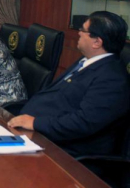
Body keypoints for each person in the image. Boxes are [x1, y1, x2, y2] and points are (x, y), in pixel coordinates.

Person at [8, 11, 129, 158]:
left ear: (97, 42)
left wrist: (35, 123)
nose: (78, 33)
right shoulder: (86, 61)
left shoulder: (112, 78)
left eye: (83, 30)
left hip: (65, 152)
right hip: (38, 133)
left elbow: (82, 123)